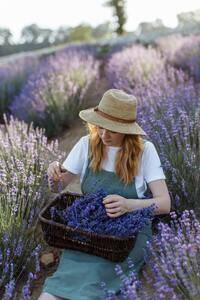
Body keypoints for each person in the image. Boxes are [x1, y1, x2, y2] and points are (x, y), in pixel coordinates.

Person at [38, 89, 171, 300]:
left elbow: (164, 204)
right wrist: (53, 174)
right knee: (61, 281)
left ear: (127, 130)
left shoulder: (146, 151)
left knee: (96, 279)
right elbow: (57, 187)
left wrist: (128, 205)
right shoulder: (86, 145)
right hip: (90, 230)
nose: (103, 135)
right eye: (100, 126)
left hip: (128, 235)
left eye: (112, 130)